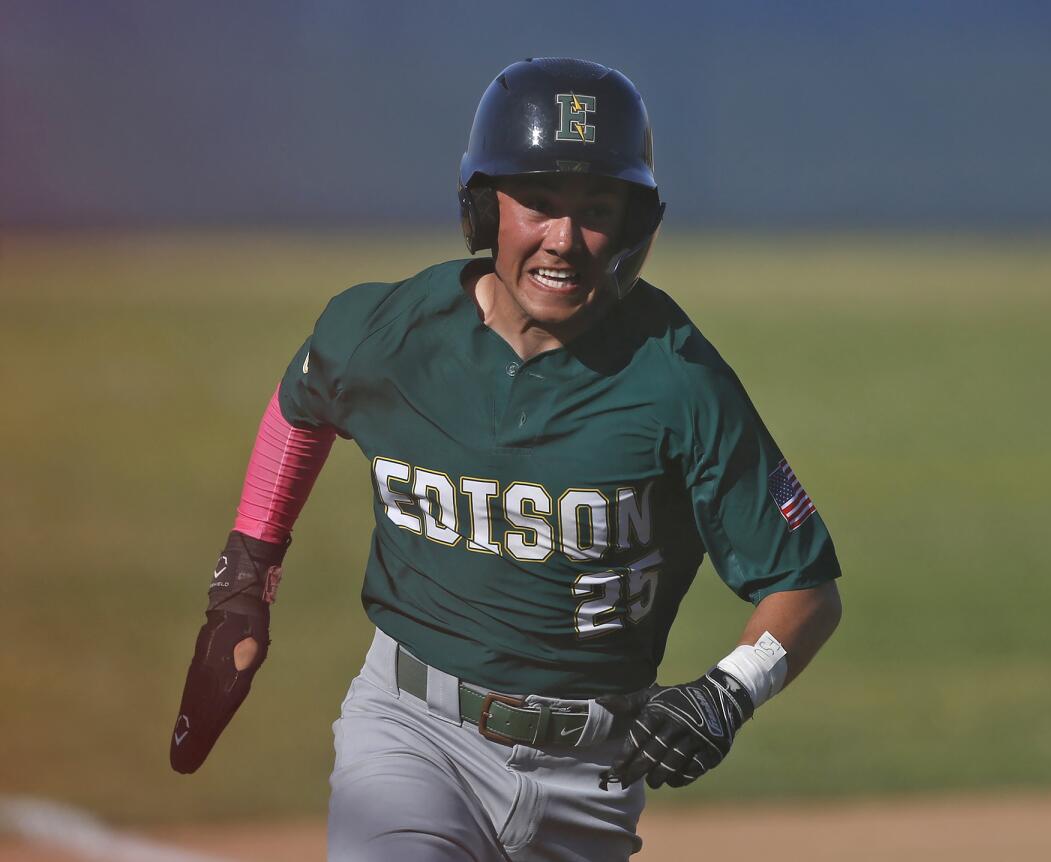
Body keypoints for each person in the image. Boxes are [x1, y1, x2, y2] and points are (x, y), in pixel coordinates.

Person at [170, 57, 842, 861]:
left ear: (632, 228)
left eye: (596, 210)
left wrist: (728, 693)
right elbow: (301, 406)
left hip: (593, 777)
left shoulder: (679, 380)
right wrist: (246, 580)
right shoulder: (388, 333)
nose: (564, 239)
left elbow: (803, 585)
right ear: (486, 210)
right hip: (412, 735)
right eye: (538, 204)